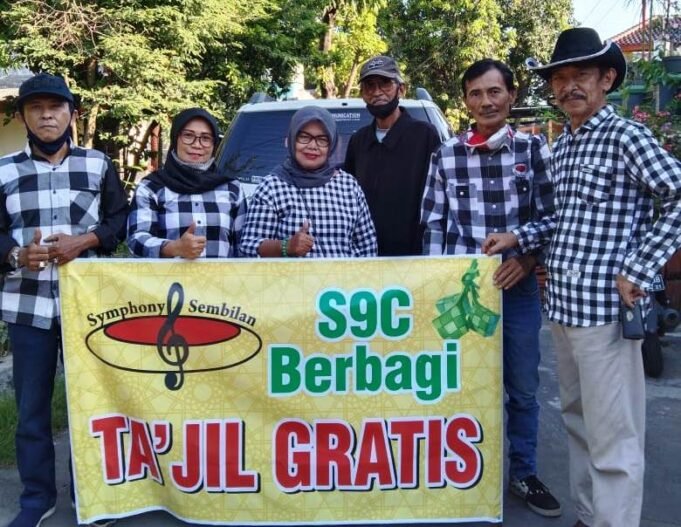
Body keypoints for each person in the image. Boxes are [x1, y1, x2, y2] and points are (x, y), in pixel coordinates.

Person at [485, 28, 681, 527]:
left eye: (581, 76)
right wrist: (517, 236)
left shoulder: (626, 137)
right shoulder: (566, 145)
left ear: (606, 79)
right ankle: (590, 516)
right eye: (560, 78)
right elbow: (562, 219)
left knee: (614, 435)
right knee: (577, 420)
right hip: (564, 307)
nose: (569, 86)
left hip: (607, 313)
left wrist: (640, 267)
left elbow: (677, 195)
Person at [421, 59, 560, 518]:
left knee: (522, 388)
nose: (486, 101)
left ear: (511, 95)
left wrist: (526, 256)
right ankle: (460, 476)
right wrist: (436, 286)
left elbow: (554, 217)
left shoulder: (534, 149)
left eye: (494, 91)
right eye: (476, 93)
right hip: (463, 294)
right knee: (461, 386)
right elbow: (434, 224)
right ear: (466, 101)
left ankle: (523, 473)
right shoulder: (446, 155)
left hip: (516, 289)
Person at [0, 74, 128, 527]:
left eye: (56, 107)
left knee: (89, 404)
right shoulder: (4, 171)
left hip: (87, 308)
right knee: (32, 410)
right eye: (36, 108)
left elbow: (119, 220)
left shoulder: (98, 165)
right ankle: (37, 499)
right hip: (27, 307)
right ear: (23, 117)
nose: (47, 116)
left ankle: (88, 496)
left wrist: (85, 240)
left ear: (73, 114)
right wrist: (17, 254)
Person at [239, 106, 376, 258]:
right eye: (304, 137)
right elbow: (248, 247)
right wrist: (285, 246)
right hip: (290, 274)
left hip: (344, 274)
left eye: (322, 140)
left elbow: (368, 247)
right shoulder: (271, 187)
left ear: (331, 145)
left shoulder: (349, 186)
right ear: (292, 139)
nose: (312, 146)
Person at [344, 55, 441, 256]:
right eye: (370, 86)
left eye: (385, 83)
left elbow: (437, 198)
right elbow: (349, 199)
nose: (377, 92)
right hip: (365, 256)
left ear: (401, 89)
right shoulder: (359, 141)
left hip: (413, 257)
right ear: (362, 94)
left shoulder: (425, 135)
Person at [128, 107, 246, 258]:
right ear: (175, 138)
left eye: (205, 138)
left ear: (214, 144)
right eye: (188, 135)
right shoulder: (152, 187)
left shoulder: (231, 189)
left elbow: (243, 247)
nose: (197, 144)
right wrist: (173, 248)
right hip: (167, 274)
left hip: (222, 274)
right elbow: (136, 238)